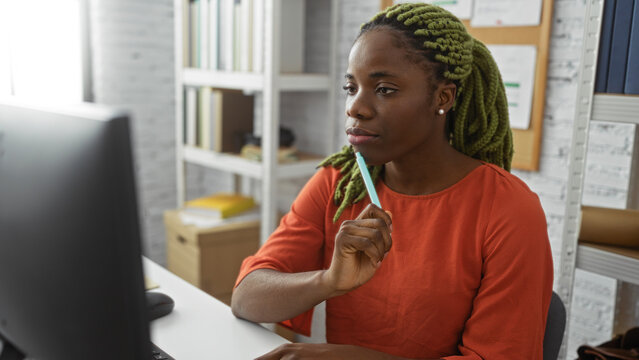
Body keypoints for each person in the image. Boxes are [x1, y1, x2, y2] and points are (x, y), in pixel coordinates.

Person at [231, 3, 553, 359]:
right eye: (351, 87)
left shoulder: (507, 209)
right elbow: (247, 298)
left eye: (384, 89)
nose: (356, 107)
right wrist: (329, 281)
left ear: (443, 98)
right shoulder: (339, 183)